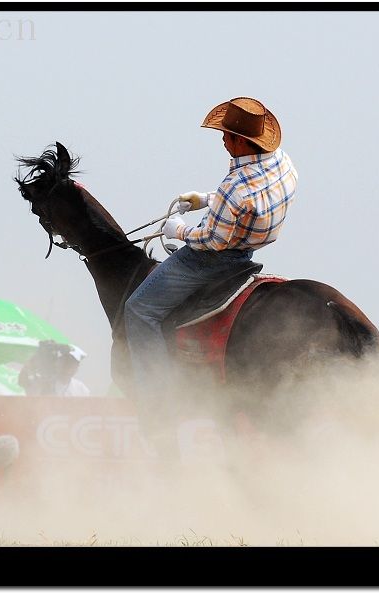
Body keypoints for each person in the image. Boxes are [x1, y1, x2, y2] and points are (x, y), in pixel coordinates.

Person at [123, 96, 298, 455]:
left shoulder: (236, 186)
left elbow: (213, 239)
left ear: (239, 140)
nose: (222, 139)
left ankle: (157, 407)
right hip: (250, 248)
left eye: (226, 134)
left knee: (139, 309)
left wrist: (178, 231)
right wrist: (207, 199)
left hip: (216, 259)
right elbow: (249, 196)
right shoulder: (280, 162)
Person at [18, 340, 91, 397]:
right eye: (65, 361)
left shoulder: (81, 389)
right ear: (57, 362)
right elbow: (22, 381)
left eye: (71, 364)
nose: (67, 367)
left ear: (77, 367)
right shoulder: (43, 383)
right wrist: (37, 356)